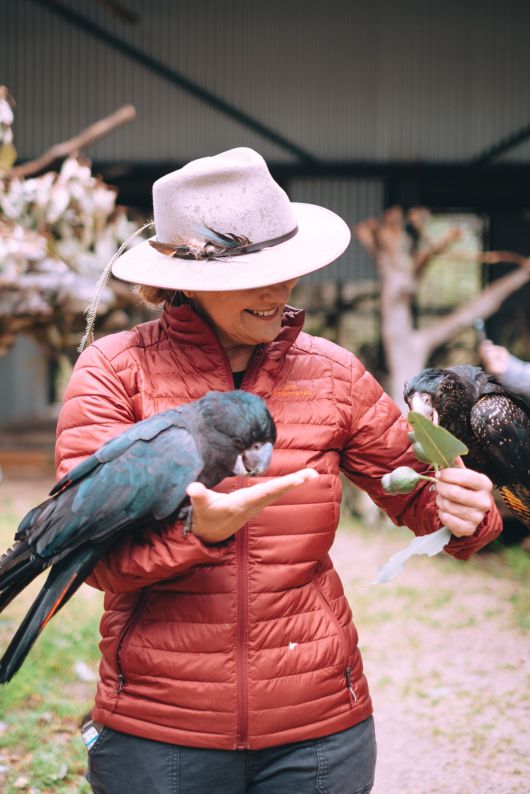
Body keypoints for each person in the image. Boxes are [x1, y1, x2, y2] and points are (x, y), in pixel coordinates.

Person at [55, 148, 501, 794]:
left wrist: (467, 510)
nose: (279, 291)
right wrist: (195, 535)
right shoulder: (115, 373)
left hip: (319, 735)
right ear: (187, 278)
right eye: (253, 274)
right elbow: (89, 557)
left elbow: (423, 496)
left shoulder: (334, 374)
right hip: (159, 738)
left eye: (286, 270)